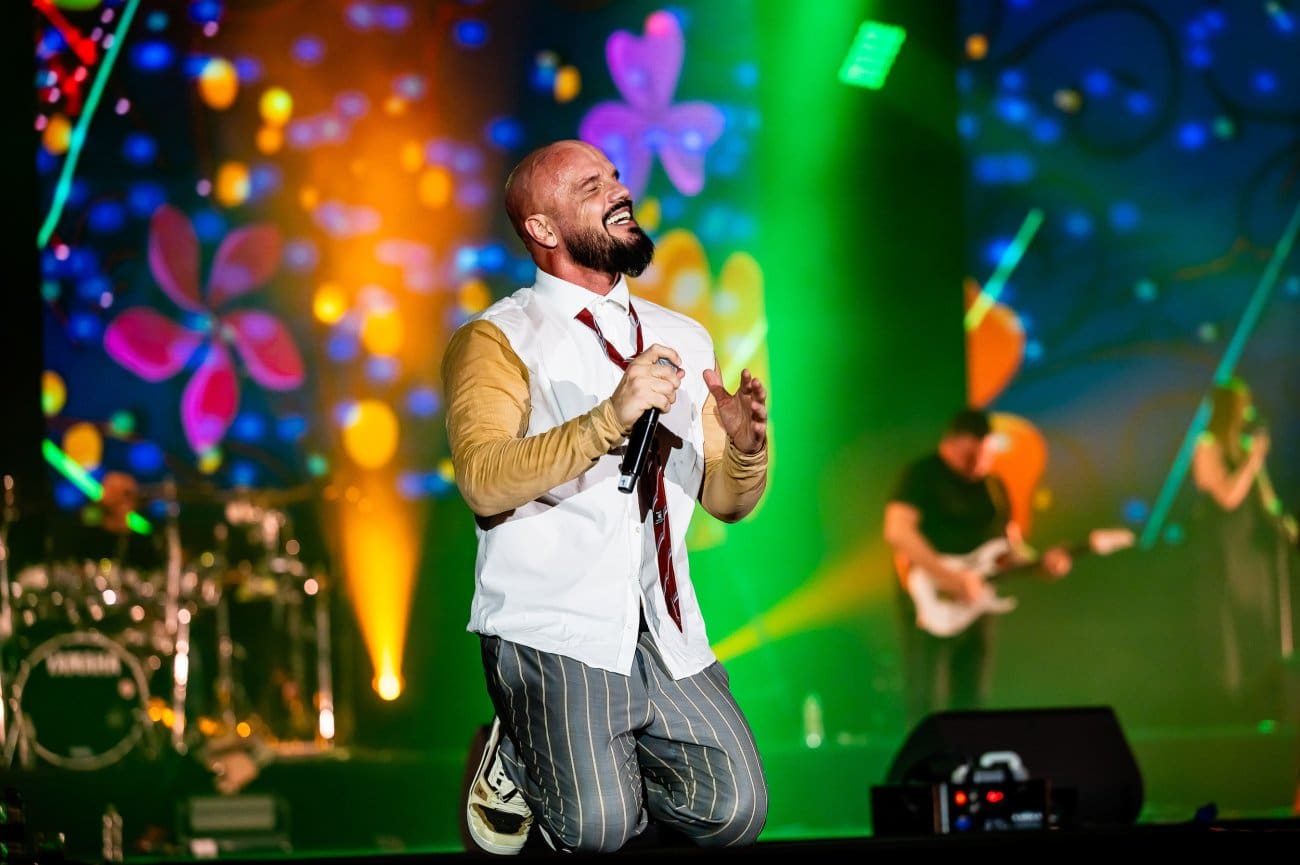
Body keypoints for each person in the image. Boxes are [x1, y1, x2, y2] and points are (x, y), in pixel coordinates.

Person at [441, 139, 770, 855]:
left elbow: (726, 502)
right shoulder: (498, 338)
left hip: (662, 623)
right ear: (543, 228)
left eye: (614, 178)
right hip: (553, 621)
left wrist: (745, 449)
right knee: (598, 828)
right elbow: (483, 480)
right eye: (590, 186)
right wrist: (609, 417)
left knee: (734, 812)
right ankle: (519, 751)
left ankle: (569, 755)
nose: (619, 191)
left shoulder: (683, 336)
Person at [882, 408, 1073, 730]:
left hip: (977, 601)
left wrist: (1040, 564)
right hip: (930, 596)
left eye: (985, 454)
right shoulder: (921, 475)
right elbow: (898, 531)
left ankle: (969, 756)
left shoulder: (994, 486)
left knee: (972, 696)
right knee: (925, 694)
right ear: (951, 443)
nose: (978, 463)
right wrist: (950, 578)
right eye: (970, 454)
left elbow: (1010, 547)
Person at [1191, 377, 1298, 719]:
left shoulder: (1245, 447)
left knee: (1261, 620)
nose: (1247, 411)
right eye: (1242, 404)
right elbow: (1228, 498)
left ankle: (1267, 700)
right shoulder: (1206, 445)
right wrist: (1252, 461)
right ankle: (1232, 703)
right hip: (1225, 547)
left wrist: (1285, 524)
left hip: (1254, 548)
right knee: (1230, 625)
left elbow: (1266, 498)